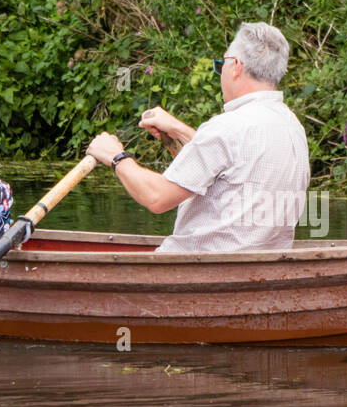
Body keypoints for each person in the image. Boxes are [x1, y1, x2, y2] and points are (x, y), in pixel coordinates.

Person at [85, 22, 310, 253]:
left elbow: (157, 198)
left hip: (195, 270)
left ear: (236, 67)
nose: (220, 71)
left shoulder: (227, 128)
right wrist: (176, 130)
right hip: (260, 271)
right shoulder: (293, 127)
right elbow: (228, 175)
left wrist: (115, 156)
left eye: (221, 64)